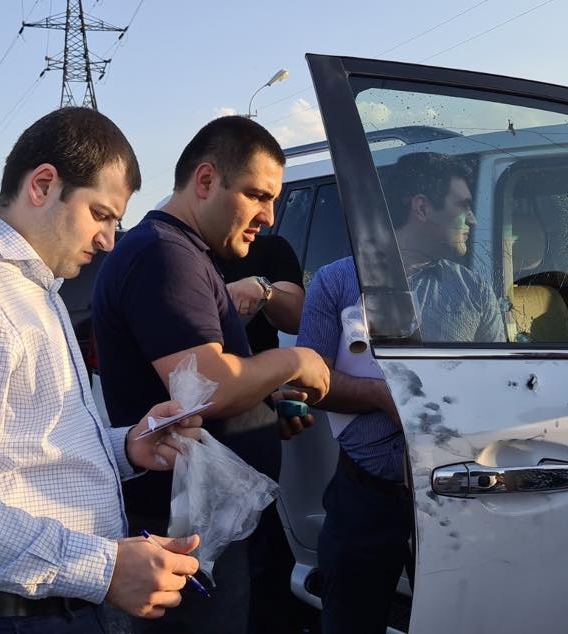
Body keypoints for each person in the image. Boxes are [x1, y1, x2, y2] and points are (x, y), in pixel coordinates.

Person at [0, 107, 204, 634]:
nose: (109, 240)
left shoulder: (25, 286)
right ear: (43, 184)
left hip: (33, 611)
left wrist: (124, 447)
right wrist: (103, 568)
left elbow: (20, 454)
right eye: (101, 214)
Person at [92, 115, 331, 634]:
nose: (269, 216)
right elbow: (207, 386)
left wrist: (264, 405)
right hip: (184, 529)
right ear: (205, 180)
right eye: (257, 195)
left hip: (205, 522)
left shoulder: (182, 252)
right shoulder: (164, 254)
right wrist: (296, 361)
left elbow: (196, 389)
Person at [297, 152, 505, 634]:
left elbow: (497, 386)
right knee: (352, 622)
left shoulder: (473, 291)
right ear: (421, 207)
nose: (473, 220)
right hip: (365, 497)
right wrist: (381, 397)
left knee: (458, 620)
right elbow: (308, 380)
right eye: (463, 205)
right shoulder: (337, 282)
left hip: (455, 495)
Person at [216, 234, 309, 634]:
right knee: (213, 565)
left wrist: (263, 290)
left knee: (262, 557)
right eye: (258, 202)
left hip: (257, 426)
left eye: (270, 203)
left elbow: (296, 316)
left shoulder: (269, 248)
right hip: (197, 437)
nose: (266, 214)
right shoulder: (176, 253)